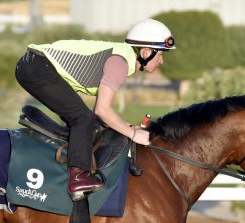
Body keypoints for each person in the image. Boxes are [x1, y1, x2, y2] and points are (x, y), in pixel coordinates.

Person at [15, 18, 176, 201]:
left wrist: (127, 125)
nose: (161, 61)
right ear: (146, 52)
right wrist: (132, 134)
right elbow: (102, 110)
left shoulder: (121, 59)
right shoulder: (120, 63)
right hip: (36, 67)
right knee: (82, 119)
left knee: (85, 120)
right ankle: (77, 179)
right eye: (161, 54)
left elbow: (100, 111)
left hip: (34, 65)